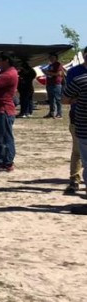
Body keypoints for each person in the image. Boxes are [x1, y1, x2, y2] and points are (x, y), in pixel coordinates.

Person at [63, 49, 87, 194]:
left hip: (81, 118)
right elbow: (66, 97)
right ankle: (74, 180)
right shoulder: (74, 72)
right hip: (78, 116)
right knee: (77, 150)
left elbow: (65, 98)